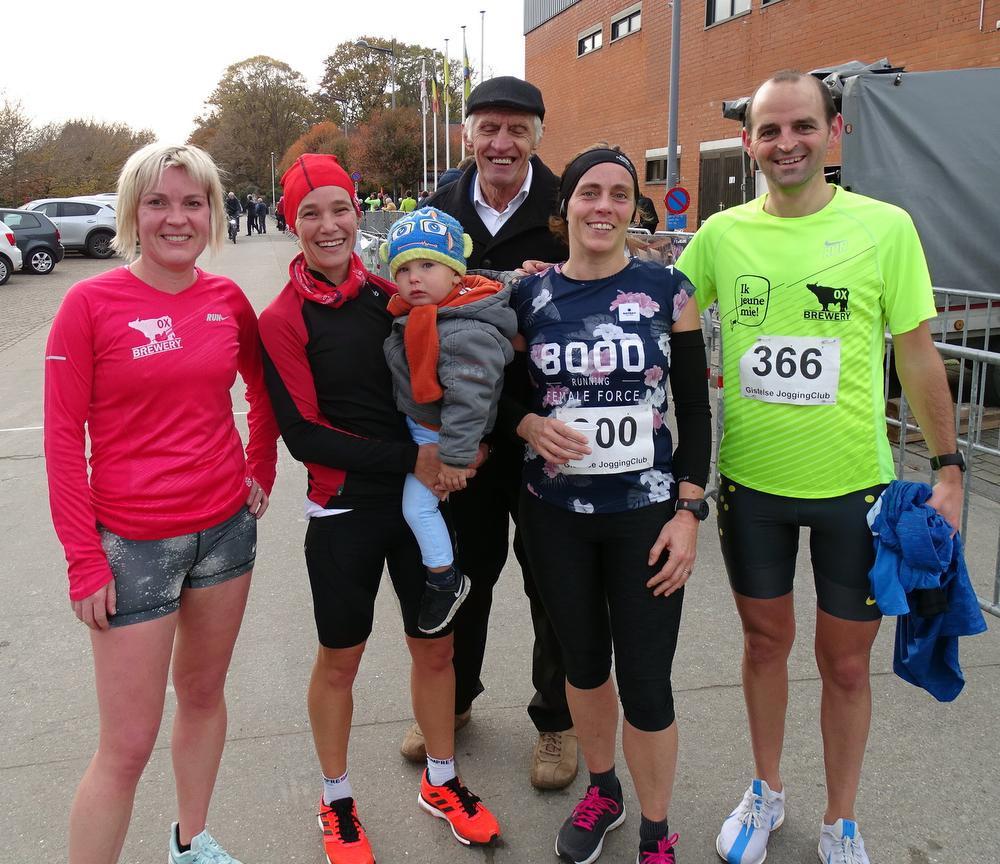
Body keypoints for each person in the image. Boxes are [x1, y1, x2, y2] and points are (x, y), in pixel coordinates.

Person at [676, 70, 964, 864]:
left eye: (803, 126)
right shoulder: (722, 235)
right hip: (753, 486)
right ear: (748, 144)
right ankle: (766, 792)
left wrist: (949, 470)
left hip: (855, 490)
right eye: (770, 131)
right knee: (764, 644)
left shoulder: (885, 228)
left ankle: (841, 821)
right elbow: (652, 307)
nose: (787, 142)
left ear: (834, 133)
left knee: (844, 664)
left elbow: (916, 352)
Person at [257, 154, 500, 864]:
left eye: (340, 208)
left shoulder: (394, 292)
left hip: (421, 498)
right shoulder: (282, 317)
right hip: (345, 510)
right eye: (311, 213)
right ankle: (336, 800)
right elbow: (303, 435)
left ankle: (443, 781)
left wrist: (475, 442)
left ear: (359, 211)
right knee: (341, 659)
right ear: (290, 222)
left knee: (438, 649)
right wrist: (412, 461)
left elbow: (462, 369)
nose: (328, 225)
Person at [43, 143, 278, 864]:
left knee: (203, 698)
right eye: (158, 202)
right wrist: (84, 560)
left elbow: (262, 388)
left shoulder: (224, 299)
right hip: (132, 549)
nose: (176, 218)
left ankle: (190, 842)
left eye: (192, 202)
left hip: (225, 538)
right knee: (127, 744)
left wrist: (258, 464)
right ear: (132, 213)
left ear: (211, 213)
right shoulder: (90, 303)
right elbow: (59, 439)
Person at [513, 144, 711, 864]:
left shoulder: (670, 290)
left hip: (647, 519)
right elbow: (499, 389)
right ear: (564, 206)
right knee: (584, 665)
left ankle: (657, 830)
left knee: (648, 680)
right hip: (555, 515)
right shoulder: (526, 297)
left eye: (619, 195)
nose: (603, 207)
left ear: (634, 208)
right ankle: (603, 792)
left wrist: (691, 511)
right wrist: (526, 422)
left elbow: (694, 405)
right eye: (589, 193)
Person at [399, 74, 577, 792]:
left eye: (518, 129)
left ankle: (557, 720)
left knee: (553, 584)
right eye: (489, 128)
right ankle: (457, 700)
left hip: (549, 433)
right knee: (462, 575)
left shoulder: (570, 207)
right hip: (462, 441)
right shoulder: (434, 213)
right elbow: (403, 304)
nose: (502, 143)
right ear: (467, 133)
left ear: (538, 134)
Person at [382, 206, 516, 635]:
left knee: (416, 508)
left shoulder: (462, 331)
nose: (414, 278)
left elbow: (470, 401)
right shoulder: (427, 316)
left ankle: (445, 578)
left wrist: (456, 460)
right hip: (430, 430)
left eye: (428, 265)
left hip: (442, 437)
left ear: (456, 274)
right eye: (404, 269)